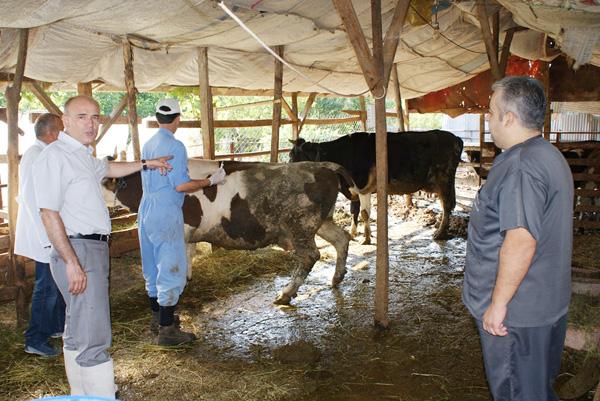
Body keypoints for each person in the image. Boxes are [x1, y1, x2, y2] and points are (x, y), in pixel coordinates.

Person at [32, 95, 173, 398]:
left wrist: (146, 163)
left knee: (77, 329)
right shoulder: (55, 156)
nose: (91, 124)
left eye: (96, 117)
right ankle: (102, 395)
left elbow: (108, 170)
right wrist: (72, 262)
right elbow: (48, 212)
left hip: (88, 248)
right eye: (82, 117)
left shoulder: (81, 155)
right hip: (78, 249)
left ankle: (82, 394)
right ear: (65, 121)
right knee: (94, 333)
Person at [462, 76, 574, 401]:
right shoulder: (548, 155)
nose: (488, 118)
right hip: (544, 304)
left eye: (491, 110)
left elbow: (521, 239)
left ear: (509, 118)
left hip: (516, 316)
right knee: (536, 390)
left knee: (517, 393)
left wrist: (498, 305)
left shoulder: (521, 166)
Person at [138, 98, 225, 346]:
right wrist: (211, 181)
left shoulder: (148, 143)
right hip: (165, 209)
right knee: (171, 266)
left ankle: (158, 318)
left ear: (157, 119)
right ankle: (168, 331)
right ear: (178, 119)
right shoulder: (175, 146)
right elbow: (181, 185)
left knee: (152, 265)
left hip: (146, 209)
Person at [15, 113, 65, 357]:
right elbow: (33, 200)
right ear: (53, 133)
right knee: (45, 287)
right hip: (43, 236)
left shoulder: (41, 154)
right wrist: (48, 240)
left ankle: (55, 326)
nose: (64, 136)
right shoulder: (38, 157)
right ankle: (35, 338)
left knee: (53, 284)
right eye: (62, 131)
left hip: (46, 234)